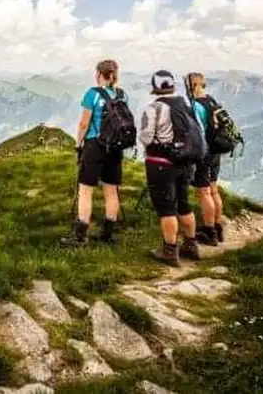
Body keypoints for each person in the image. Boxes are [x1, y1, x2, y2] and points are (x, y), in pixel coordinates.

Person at [61, 59, 135, 246]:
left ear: (100, 74)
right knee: (111, 190)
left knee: (85, 189)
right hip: (115, 146)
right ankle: (107, 233)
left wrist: (79, 143)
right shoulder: (121, 95)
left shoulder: (92, 94)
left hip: (95, 145)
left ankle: (80, 235)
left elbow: (84, 123)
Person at [139, 69, 203, 267]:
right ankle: (191, 246)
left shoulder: (153, 108)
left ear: (154, 87)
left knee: (167, 208)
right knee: (184, 205)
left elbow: (146, 137)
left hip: (161, 165)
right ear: (173, 85)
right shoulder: (185, 105)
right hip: (186, 163)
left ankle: (170, 251)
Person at [185, 72, 224, 246]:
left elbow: (196, 132)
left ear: (191, 86)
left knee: (204, 192)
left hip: (204, 152)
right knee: (214, 189)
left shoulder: (195, 105)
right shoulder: (212, 101)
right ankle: (217, 227)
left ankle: (209, 232)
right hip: (216, 151)